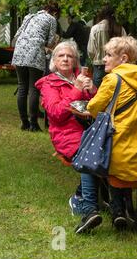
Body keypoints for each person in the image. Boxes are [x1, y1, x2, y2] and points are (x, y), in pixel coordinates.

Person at [86, 36, 137, 231]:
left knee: (97, 159)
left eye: (108, 55)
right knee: (119, 159)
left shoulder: (112, 79)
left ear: (124, 58)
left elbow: (93, 108)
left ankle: (109, 210)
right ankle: (125, 211)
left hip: (119, 153)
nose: (104, 59)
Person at [35, 41, 99, 233]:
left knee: (113, 149)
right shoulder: (49, 84)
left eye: (69, 56)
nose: (65, 59)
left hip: (91, 130)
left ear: (75, 61)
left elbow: (99, 106)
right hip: (66, 133)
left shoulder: (82, 78)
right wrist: (77, 89)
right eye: (60, 55)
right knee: (88, 154)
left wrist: (93, 90)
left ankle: (81, 198)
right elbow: (55, 114)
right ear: (54, 60)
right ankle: (89, 210)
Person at [12, 1, 60, 132]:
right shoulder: (51, 19)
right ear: (55, 12)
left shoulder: (29, 16)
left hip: (19, 52)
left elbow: (16, 36)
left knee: (22, 86)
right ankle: (33, 124)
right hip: (34, 53)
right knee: (34, 88)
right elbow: (50, 42)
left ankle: (24, 122)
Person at [87, 5, 126, 88]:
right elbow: (126, 48)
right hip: (117, 67)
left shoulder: (95, 29)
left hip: (99, 66)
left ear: (101, 14)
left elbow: (91, 50)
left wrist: (94, 58)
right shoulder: (120, 28)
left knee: (98, 94)